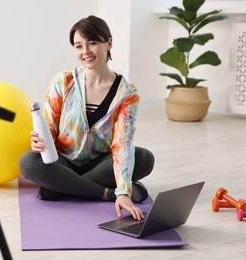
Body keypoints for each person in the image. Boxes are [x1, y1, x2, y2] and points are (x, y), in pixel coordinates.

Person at [19, 15, 154, 220]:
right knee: (28, 162)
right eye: (79, 46)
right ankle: (105, 193)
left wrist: (124, 191)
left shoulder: (127, 95)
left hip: (99, 163)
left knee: (144, 158)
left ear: (109, 43)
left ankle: (59, 188)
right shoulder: (63, 81)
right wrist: (39, 141)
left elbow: (122, 143)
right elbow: (48, 128)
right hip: (63, 161)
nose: (85, 52)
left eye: (92, 43)